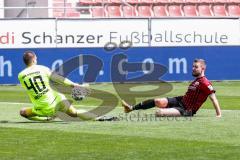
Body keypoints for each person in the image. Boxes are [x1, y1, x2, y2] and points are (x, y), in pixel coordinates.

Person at [18, 50, 112, 121]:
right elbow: (59, 79)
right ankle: (98, 117)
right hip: (58, 99)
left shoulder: (21, 76)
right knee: (74, 112)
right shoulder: (42, 68)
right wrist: (74, 85)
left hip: (43, 108)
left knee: (22, 112)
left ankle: (46, 119)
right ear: (34, 59)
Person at [122, 59, 222, 117]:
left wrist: (219, 115)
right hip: (180, 100)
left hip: (188, 110)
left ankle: (171, 110)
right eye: (193, 66)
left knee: (159, 113)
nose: (193, 69)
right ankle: (131, 108)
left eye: (196, 67)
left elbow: (214, 99)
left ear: (203, 68)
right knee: (158, 101)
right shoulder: (196, 81)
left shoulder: (205, 83)